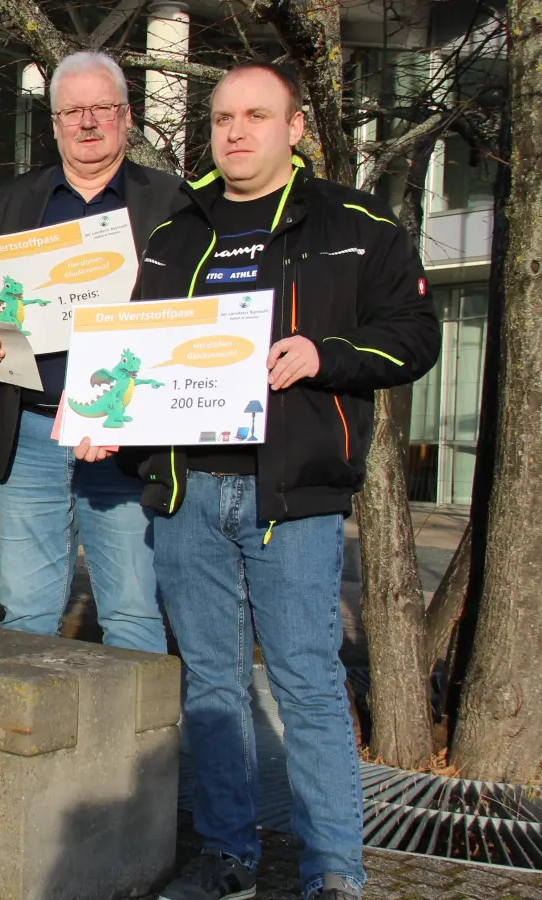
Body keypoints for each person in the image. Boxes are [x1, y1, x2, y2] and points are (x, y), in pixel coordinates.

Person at [135, 64, 437, 900]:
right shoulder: (175, 230)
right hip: (188, 488)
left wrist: (322, 355)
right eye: (223, 117)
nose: (236, 131)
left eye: (256, 115)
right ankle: (227, 855)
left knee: (307, 682)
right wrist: (105, 420)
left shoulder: (356, 224)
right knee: (213, 684)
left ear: (295, 128)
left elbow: (414, 334)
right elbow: (134, 356)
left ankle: (334, 871)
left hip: (292, 494)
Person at [0, 50, 180, 653]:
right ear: (53, 122)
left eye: (102, 108)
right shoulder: (12, 202)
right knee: (25, 613)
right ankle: (24, 746)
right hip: (31, 428)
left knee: (134, 612)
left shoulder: (171, 202)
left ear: (127, 117)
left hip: (123, 435)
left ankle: (135, 750)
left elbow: (185, 317)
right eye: (73, 111)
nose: (88, 122)